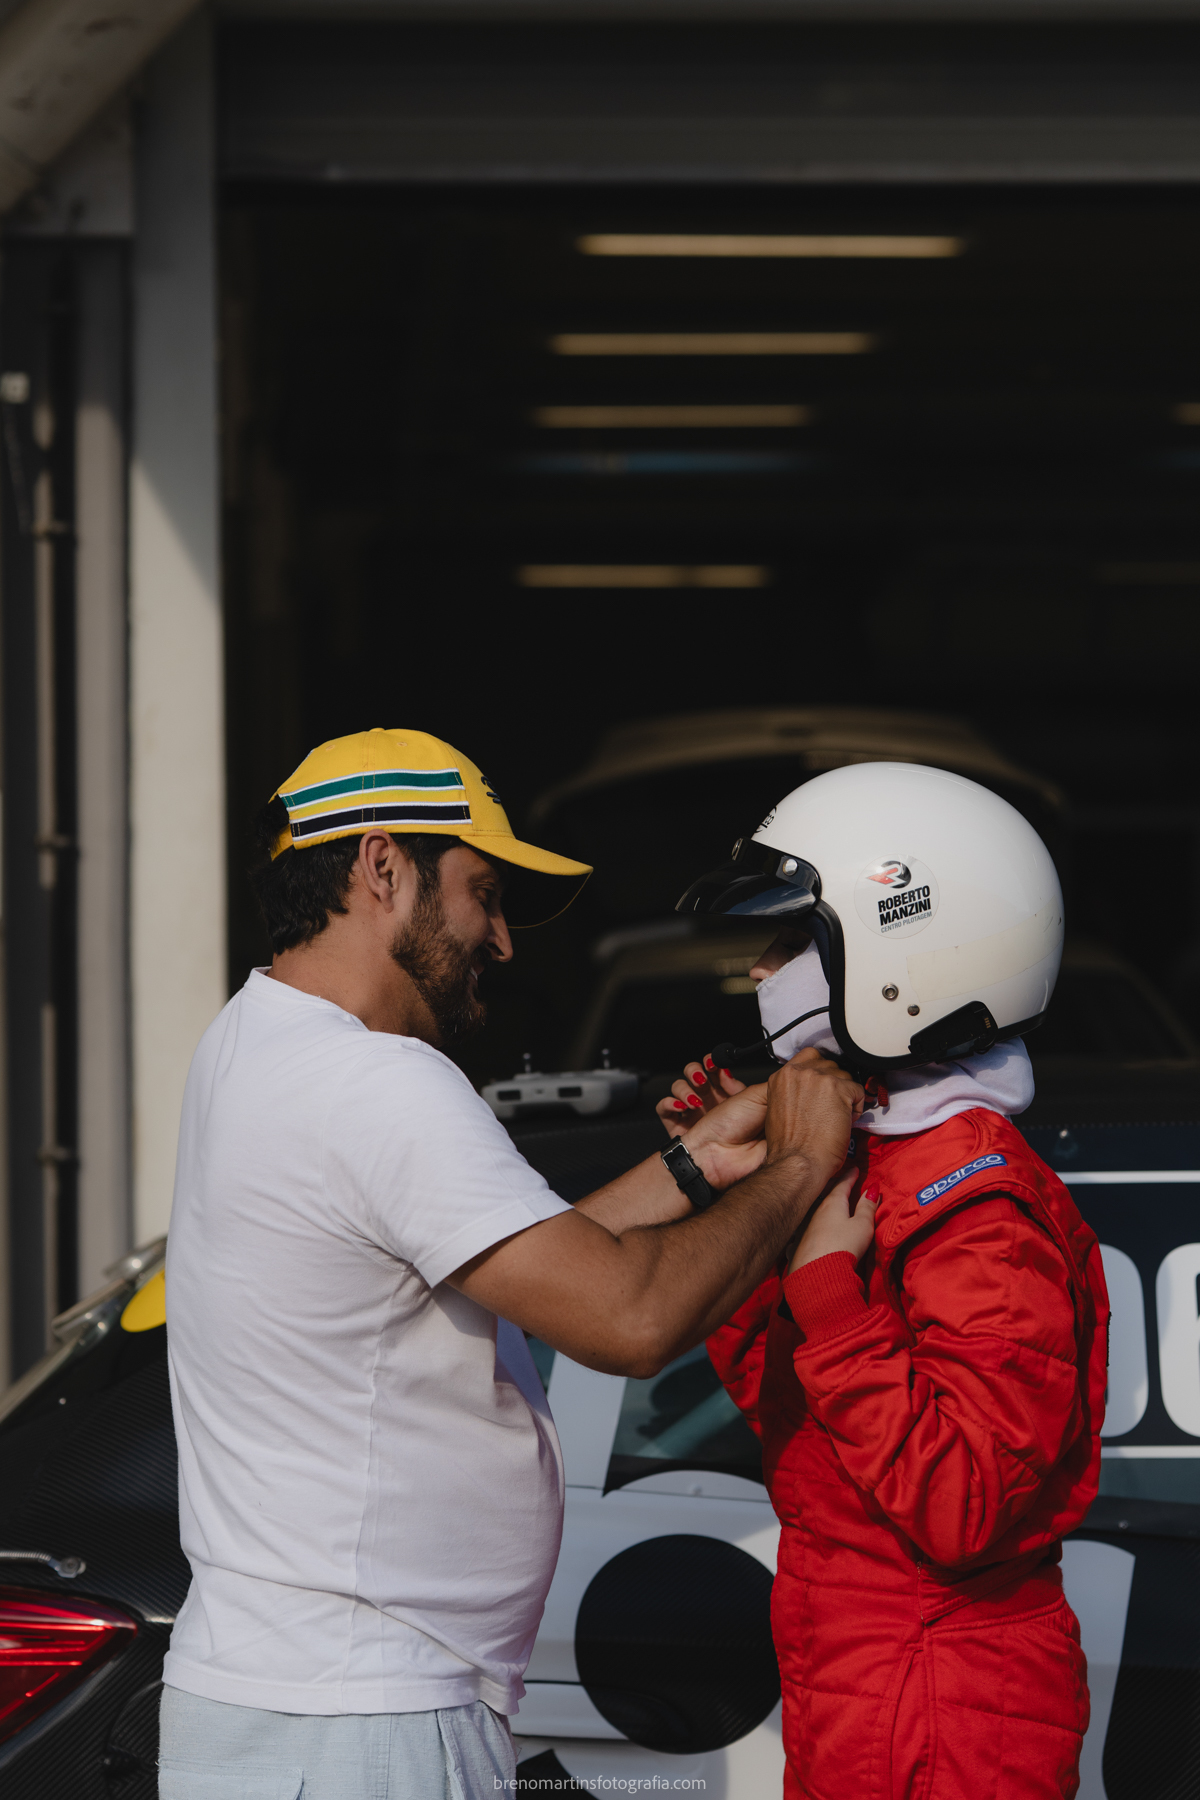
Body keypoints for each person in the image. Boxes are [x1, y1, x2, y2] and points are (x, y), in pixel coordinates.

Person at [158, 726, 863, 1800]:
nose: (501, 942)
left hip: (294, 1703)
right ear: (382, 866)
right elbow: (628, 1319)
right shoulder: (376, 1083)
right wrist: (805, 1161)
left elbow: (505, 1262)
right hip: (362, 1724)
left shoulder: (252, 1040)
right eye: (483, 895)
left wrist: (692, 1167)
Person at [660, 760, 1109, 1800]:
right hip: (867, 1680)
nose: (758, 968)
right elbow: (799, 1421)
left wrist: (828, 1298)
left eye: (789, 941)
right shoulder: (885, 1160)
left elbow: (965, 1508)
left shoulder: (981, 1210)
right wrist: (745, 1207)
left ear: (904, 954)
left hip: (947, 1706)